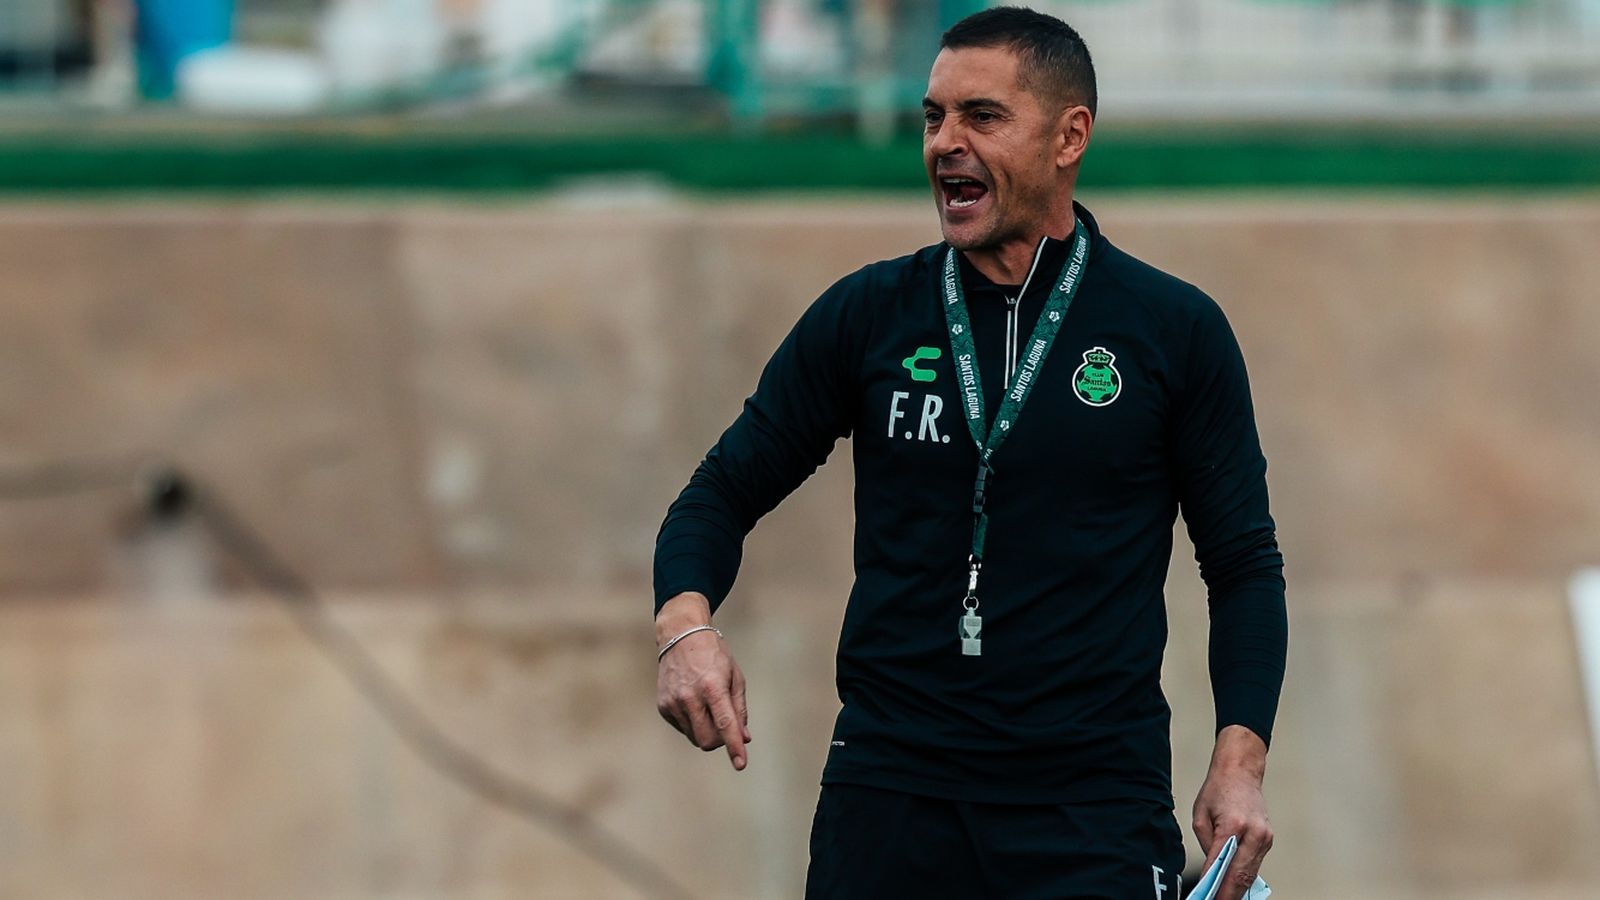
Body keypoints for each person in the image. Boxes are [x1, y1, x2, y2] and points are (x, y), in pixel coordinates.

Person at [652, 7, 1287, 899]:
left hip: (1091, 806)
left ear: (1070, 137)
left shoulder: (1173, 331)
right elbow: (721, 490)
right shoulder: (868, 314)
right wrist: (685, 626)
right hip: (889, 794)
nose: (945, 143)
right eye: (932, 117)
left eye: (981, 117)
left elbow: (1245, 566)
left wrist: (1239, 761)